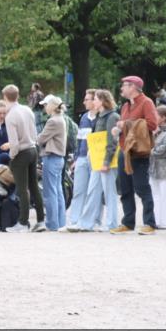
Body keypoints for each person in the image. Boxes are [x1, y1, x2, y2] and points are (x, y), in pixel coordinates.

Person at [110, 76, 158, 235]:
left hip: (138, 152)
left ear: (134, 87)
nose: (122, 89)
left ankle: (150, 223)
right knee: (125, 189)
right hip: (124, 150)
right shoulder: (125, 106)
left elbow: (152, 125)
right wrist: (119, 130)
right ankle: (128, 223)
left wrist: (127, 124)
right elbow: (128, 126)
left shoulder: (147, 102)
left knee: (142, 187)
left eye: (124, 86)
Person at [74, 89, 121, 232]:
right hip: (97, 160)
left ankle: (111, 223)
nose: (93, 101)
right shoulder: (101, 116)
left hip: (106, 161)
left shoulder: (112, 117)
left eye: (95, 99)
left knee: (109, 192)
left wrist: (106, 162)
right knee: (93, 190)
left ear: (102, 101)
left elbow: (111, 141)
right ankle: (86, 223)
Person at [2, 85, 45, 232]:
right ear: (18, 95)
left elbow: (14, 143)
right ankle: (40, 220)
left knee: (22, 189)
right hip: (33, 149)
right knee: (34, 187)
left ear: (5, 97)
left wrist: (12, 156)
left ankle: (23, 222)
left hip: (21, 153)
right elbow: (34, 133)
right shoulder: (27, 110)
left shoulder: (10, 116)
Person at [66, 90, 97, 229]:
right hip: (83, 157)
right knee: (79, 189)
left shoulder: (100, 117)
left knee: (94, 191)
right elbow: (80, 139)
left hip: (95, 157)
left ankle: (94, 220)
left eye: (87, 99)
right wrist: (77, 158)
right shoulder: (84, 117)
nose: (84, 102)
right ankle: (75, 220)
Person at [37, 96, 67, 231]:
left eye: (45, 105)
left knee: (50, 193)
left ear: (52, 106)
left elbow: (40, 139)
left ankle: (52, 223)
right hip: (58, 159)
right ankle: (60, 222)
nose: (44, 107)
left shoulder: (53, 121)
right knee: (58, 191)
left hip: (51, 157)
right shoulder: (61, 119)